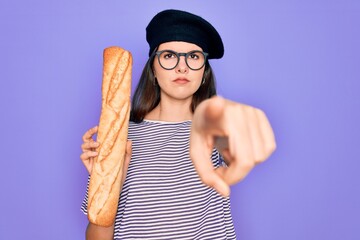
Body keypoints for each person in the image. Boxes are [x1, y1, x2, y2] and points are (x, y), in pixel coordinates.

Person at [80, 9, 276, 240]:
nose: (182, 67)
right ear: (153, 66)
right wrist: (108, 183)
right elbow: (97, 236)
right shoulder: (122, 137)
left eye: (193, 57)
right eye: (169, 56)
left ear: (204, 71)